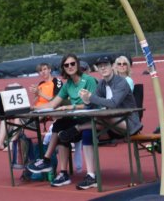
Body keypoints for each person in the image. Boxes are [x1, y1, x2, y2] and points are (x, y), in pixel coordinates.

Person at [26, 53, 99, 188]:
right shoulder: (68, 84)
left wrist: (70, 106)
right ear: (63, 68)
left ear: (77, 64)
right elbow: (52, 104)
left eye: (72, 63)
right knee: (60, 126)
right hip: (75, 120)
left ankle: (48, 161)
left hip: (90, 120)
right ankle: (58, 169)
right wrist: (31, 108)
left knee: (62, 127)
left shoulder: (89, 80)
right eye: (66, 65)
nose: (70, 66)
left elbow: (93, 103)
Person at [74, 56, 143, 190]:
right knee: (88, 133)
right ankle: (91, 176)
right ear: (97, 69)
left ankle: (78, 128)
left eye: (105, 65)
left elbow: (113, 103)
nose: (103, 68)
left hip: (129, 125)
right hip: (110, 125)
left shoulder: (121, 82)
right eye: (100, 66)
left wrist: (91, 97)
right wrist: (86, 100)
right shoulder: (101, 84)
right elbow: (93, 103)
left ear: (112, 66)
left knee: (103, 116)